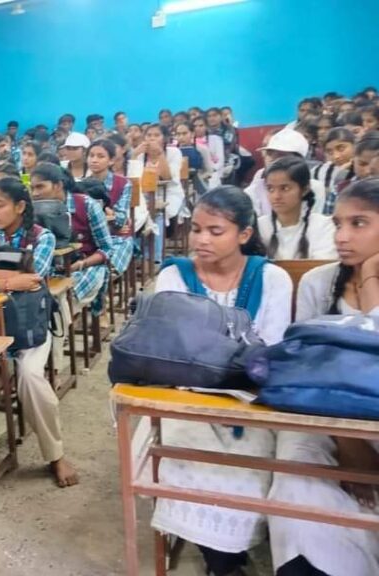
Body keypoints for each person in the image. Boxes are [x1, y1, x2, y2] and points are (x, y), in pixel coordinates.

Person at [147, 187, 292, 576]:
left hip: (251, 402)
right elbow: (177, 350)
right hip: (187, 400)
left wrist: (212, 359)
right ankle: (222, 562)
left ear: (244, 234)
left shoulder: (272, 278)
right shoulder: (174, 275)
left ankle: (231, 551)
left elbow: (269, 349)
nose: (201, 240)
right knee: (187, 460)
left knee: (249, 465)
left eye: (215, 231)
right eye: (196, 229)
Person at [267, 178, 379, 576]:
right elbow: (308, 371)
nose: (342, 237)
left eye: (359, 223)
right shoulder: (319, 282)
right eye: (337, 224)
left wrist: (371, 280)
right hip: (323, 421)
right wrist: (349, 443)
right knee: (298, 484)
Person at [0, 177, 80, 487]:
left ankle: (55, 455)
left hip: (30, 327)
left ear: (20, 206)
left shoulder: (42, 237)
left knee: (31, 376)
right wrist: (9, 281)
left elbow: (35, 277)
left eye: (0, 205)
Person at [31, 163, 122, 308]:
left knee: (64, 296)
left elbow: (107, 249)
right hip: (49, 269)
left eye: (40, 187)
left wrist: (81, 264)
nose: (35, 193)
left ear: (58, 186)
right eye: (32, 188)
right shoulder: (33, 210)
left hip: (87, 265)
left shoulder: (87, 205)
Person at [257, 156, 337, 261]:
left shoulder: (323, 226)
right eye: (270, 189)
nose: (276, 196)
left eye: (285, 188)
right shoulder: (259, 227)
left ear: (305, 189)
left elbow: (323, 266)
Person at [130, 124, 185, 264]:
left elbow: (168, 177)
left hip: (169, 193)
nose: (152, 138)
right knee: (136, 213)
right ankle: (138, 254)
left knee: (157, 213)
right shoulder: (141, 154)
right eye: (149, 135)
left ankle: (154, 257)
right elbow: (133, 177)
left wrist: (160, 154)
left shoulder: (173, 152)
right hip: (145, 194)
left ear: (164, 138)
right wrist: (134, 155)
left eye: (156, 135)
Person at [244, 129, 327, 216]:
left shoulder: (315, 188)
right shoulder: (253, 192)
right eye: (270, 153)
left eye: (281, 155)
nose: (272, 159)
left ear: (299, 160)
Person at [315, 128, 356, 214]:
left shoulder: (365, 169)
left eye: (341, 149)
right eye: (329, 152)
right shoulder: (318, 171)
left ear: (355, 146)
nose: (336, 156)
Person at [193, 117, 226, 188]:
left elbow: (220, 161)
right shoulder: (190, 141)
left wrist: (211, 170)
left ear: (206, 127)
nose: (197, 128)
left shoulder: (216, 139)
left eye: (201, 126)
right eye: (195, 126)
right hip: (196, 173)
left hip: (213, 172)